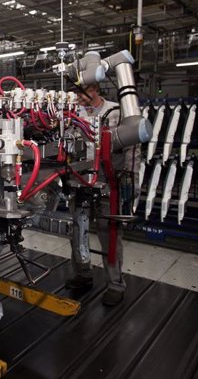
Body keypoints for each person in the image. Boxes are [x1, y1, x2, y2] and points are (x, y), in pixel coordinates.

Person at [65, 83, 138, 306]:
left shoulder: (117, 111)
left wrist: (131, 182)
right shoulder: (71, 112)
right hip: (79, 180)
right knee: (78, 230)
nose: (77, 97)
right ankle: (83, 273)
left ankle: (115, 284)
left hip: (109, 182)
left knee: (110, 234)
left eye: (81, 92)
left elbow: (132, 149)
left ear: (95, 89)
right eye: (75, 93)